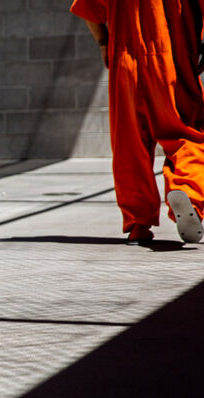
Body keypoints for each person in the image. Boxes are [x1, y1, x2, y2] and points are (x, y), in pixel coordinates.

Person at [71, 0, 204, 245]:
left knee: (130, 144)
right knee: (185, 131)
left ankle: (138, 224)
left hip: (124, 59)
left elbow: (88, 7)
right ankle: (188, 193)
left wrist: (103, 42)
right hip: (173, 57)